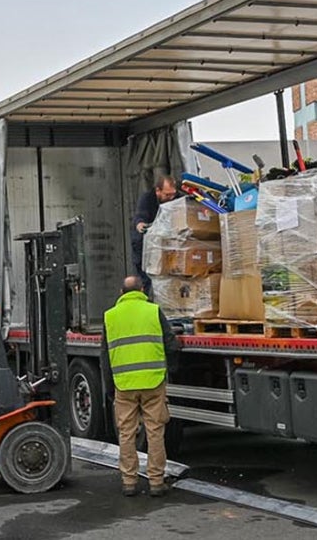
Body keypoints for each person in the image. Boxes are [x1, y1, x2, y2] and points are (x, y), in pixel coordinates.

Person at [101, 275, 180, 497]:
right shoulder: (153, 311)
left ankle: (129, 482)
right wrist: (169, 371)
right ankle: (156, 482)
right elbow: (171, 344)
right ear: (143, 289)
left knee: (126, 433)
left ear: (121, 293)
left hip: (124, 384)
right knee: (155, 432)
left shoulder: (110, 317)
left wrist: (109, 387)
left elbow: (104, 358)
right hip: (153, 382)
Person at [129, 175, 180, 292]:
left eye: (173, 194)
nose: (171, 198)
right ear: (158, 191)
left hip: (165, 244)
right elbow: (140, 215)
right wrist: (141, 224)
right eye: (167, 195)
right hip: (145, 245)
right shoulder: (147, 199)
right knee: (145, 278)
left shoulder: (176, 198)